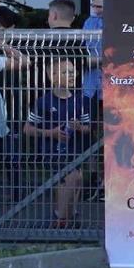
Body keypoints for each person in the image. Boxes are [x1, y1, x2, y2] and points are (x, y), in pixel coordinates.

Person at [25, 57, 93, 228]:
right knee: (72, 177)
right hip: (52, 151)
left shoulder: (81, 101)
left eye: (73, 72)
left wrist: (78, 127)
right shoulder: (43, 102)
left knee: (73, 181)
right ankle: (61, 218)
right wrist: (52, 133)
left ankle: (66, 217)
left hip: (75, 151)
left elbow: (88, 128)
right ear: (52, 76)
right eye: (65, 72)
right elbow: (27, 129)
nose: (71, 75)